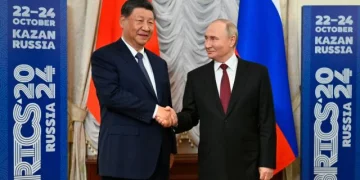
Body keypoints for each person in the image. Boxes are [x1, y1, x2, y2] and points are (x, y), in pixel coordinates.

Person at [159, 19, 276, 180]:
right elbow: (191, 115)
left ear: (232, 40)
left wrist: (267, 163)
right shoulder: (196, 77)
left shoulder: (257, 74)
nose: (207, 44)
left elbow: (266, 122)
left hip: (249, 165)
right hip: (211, 165)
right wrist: (174, 119)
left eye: (213, 39)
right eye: (206, 38)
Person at [91, 0, 177, 179]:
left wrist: (171, 149)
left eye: (150, 22)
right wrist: (154, 111)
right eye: (140, 21)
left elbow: (165, 105)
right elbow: (111, 96)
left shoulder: (159, 63)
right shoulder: (104, 57)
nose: (146, 27)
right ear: (123, 21)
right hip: (123, 159)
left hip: (158, 160)